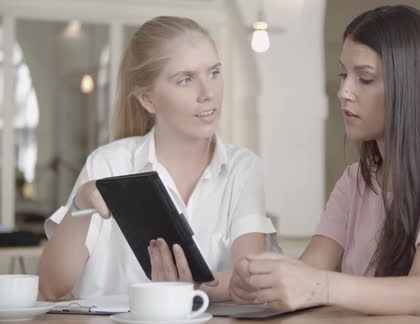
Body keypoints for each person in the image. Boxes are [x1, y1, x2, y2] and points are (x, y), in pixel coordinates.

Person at [230, 5, 420, 323]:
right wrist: (261, 283)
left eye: (365, 78)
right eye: (343, 75)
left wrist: (318, 286)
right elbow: (307, 274)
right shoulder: (355, 181)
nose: (343, 91)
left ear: (409, 86)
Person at [38, 16, 277, 302]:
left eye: (213, 72)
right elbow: (51, 289)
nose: (208, 93)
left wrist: (193, 287)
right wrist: (83, 200)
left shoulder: (243, 168)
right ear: (148, 100)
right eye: (185, 79)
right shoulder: (108, 165)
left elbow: (251, 278)